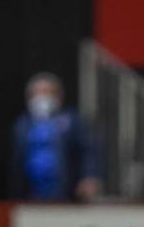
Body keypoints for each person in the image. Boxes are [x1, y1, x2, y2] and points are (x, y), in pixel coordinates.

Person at [9, 72, 100, 202]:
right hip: (31, 193)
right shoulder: (22, 124)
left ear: (58, 95)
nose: (42, 97)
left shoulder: (72, 120)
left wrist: (89, 176)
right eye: (38, 93)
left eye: (47, 92)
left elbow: (88, 150)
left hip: (64, 191)